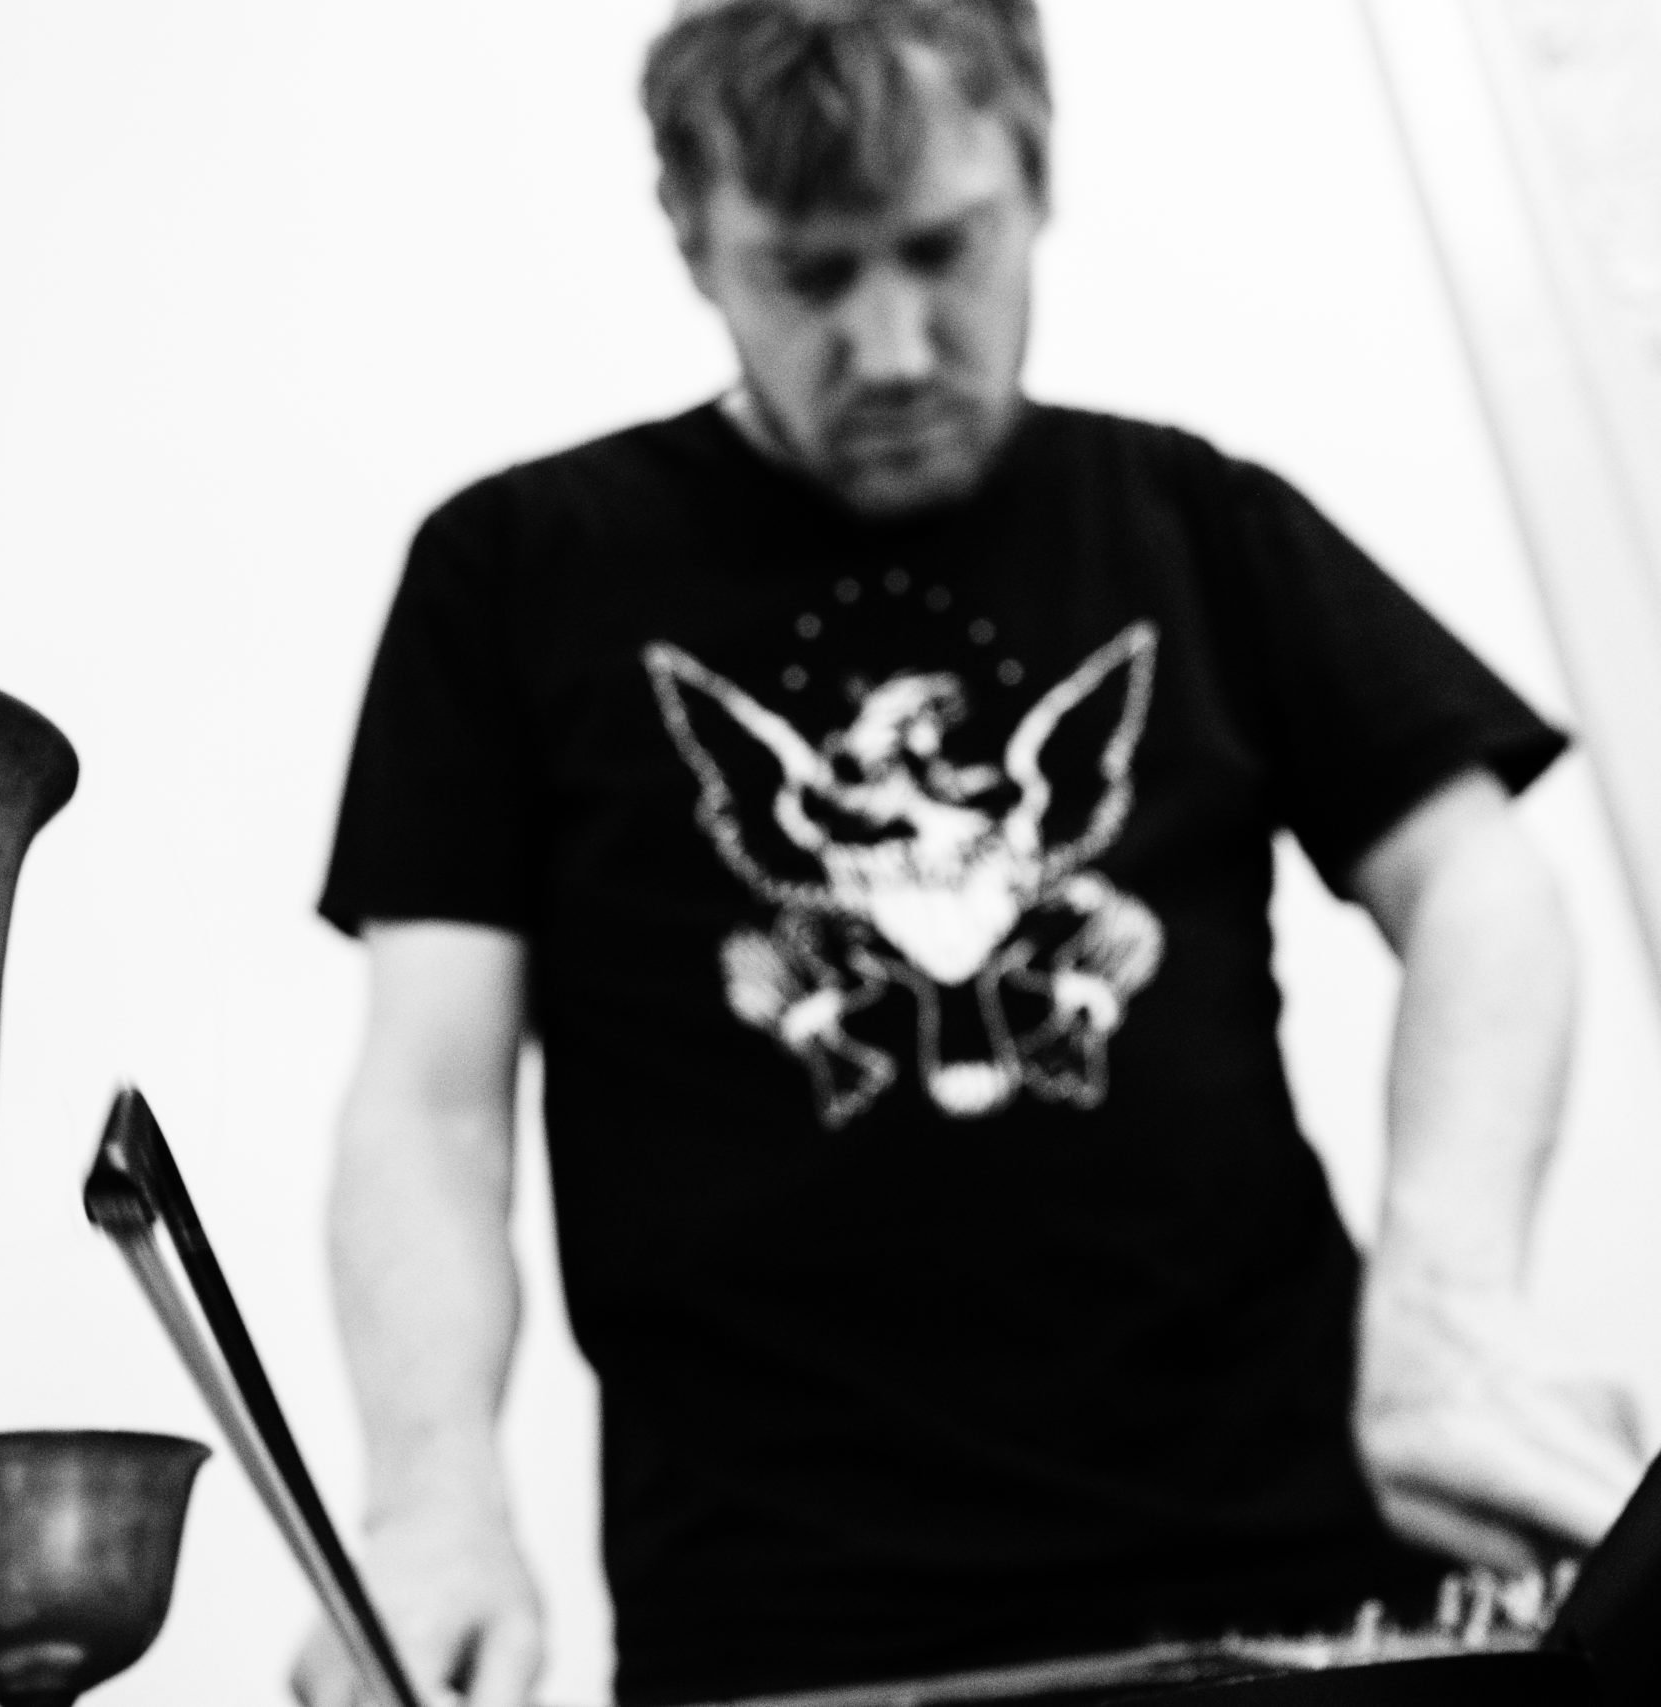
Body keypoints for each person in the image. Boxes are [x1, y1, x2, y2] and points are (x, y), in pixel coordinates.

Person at [295, 2, 1652, 1704]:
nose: (891, 348)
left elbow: (1478, 883)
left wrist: (1454, 1294)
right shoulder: (510, 572)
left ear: (1038, 174)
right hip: (785, 1635)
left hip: (1301, 1582)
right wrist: (429, 1504)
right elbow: (432, 1101)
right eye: (808, 273)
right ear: (691, 237)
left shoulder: (1195, 517)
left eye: (943, 249)